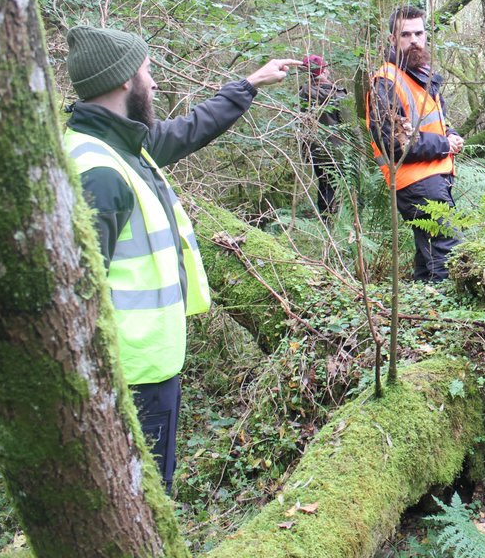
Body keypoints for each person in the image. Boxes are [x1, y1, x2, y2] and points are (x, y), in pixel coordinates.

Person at [62, 25, 299, 493]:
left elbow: (187, 131)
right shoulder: (100, 171)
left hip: (143, 369)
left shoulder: (121, 145)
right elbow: (71, 301)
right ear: (125, 81)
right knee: (141, 501)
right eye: (147, 71)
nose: (153, 82)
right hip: (127, 378)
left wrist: (249, 84)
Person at [366, 5, 464, 281]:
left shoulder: (420, 76)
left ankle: (424, 310)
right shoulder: (385, 82)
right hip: (415, 180)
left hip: (432, 177)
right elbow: (394, 143)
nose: (414, 40)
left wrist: (451, 134)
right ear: (392, 40)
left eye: (419, 33)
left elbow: (435, 121)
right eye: (405, 34)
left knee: (429, 255)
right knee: (449, 252)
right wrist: (445, 144)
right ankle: (445, 318)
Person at [298, 54, 347, 219]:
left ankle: (327, 219)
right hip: (338, 149)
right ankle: (336, 221)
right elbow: (348, 124)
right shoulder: (337, 94)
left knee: (324, 184)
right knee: (338, 185)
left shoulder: (303, 94)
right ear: (324, 70)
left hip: (315, 148)